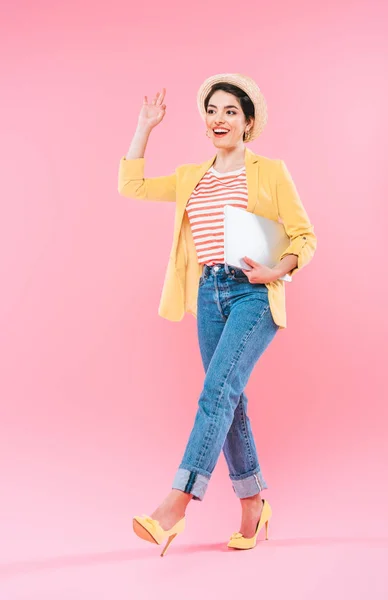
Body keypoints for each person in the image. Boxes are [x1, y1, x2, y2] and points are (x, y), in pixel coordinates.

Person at [118, 73, 317, 556]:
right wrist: (145, 126)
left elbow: (304, 236)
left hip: (253, 293)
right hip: (210, 294)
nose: (219, 119)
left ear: (248, 122)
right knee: (231, 401)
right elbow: (133, 185)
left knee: (217, 392)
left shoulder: (270, 171)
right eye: (212, 110)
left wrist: (276, 270)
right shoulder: (192, 176)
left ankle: (175, 505)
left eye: (230, 111)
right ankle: (253, 504)